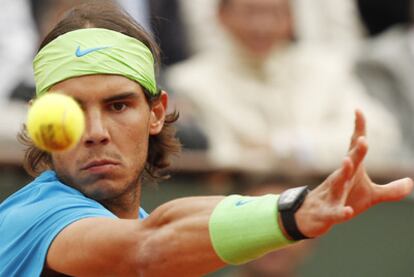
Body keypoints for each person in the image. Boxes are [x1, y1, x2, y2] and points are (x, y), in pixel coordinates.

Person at [0, 1, 412, 276]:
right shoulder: (32, 219)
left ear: (157, 113)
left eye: (118, 106)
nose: (95, 133)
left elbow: (168, 226)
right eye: (73, 110)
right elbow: (151, 245)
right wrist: (293, 214)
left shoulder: (138, 226)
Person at [165, 0, 402, 173]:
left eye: (274, 13)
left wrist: (288, 147)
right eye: (250, 12)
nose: (262, 26)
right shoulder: (190, 82)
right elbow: (216, 158)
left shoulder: (326, 71)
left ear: (291, 18)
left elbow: (378, 137)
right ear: (221, 16)